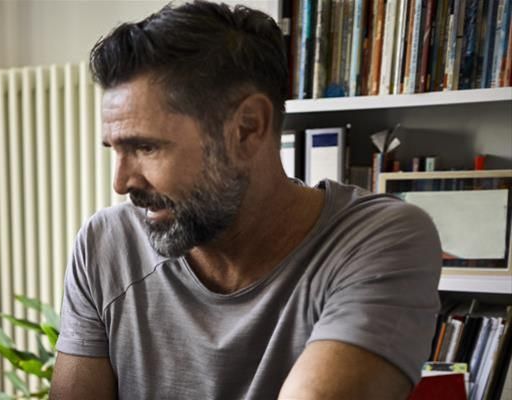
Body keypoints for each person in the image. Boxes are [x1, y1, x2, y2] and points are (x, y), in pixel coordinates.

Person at [50, 2, 442, 399]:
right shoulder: (106, 244)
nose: (121, 182)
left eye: (146, 147)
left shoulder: (380, 240)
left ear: (247, 128)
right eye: (115, 150)